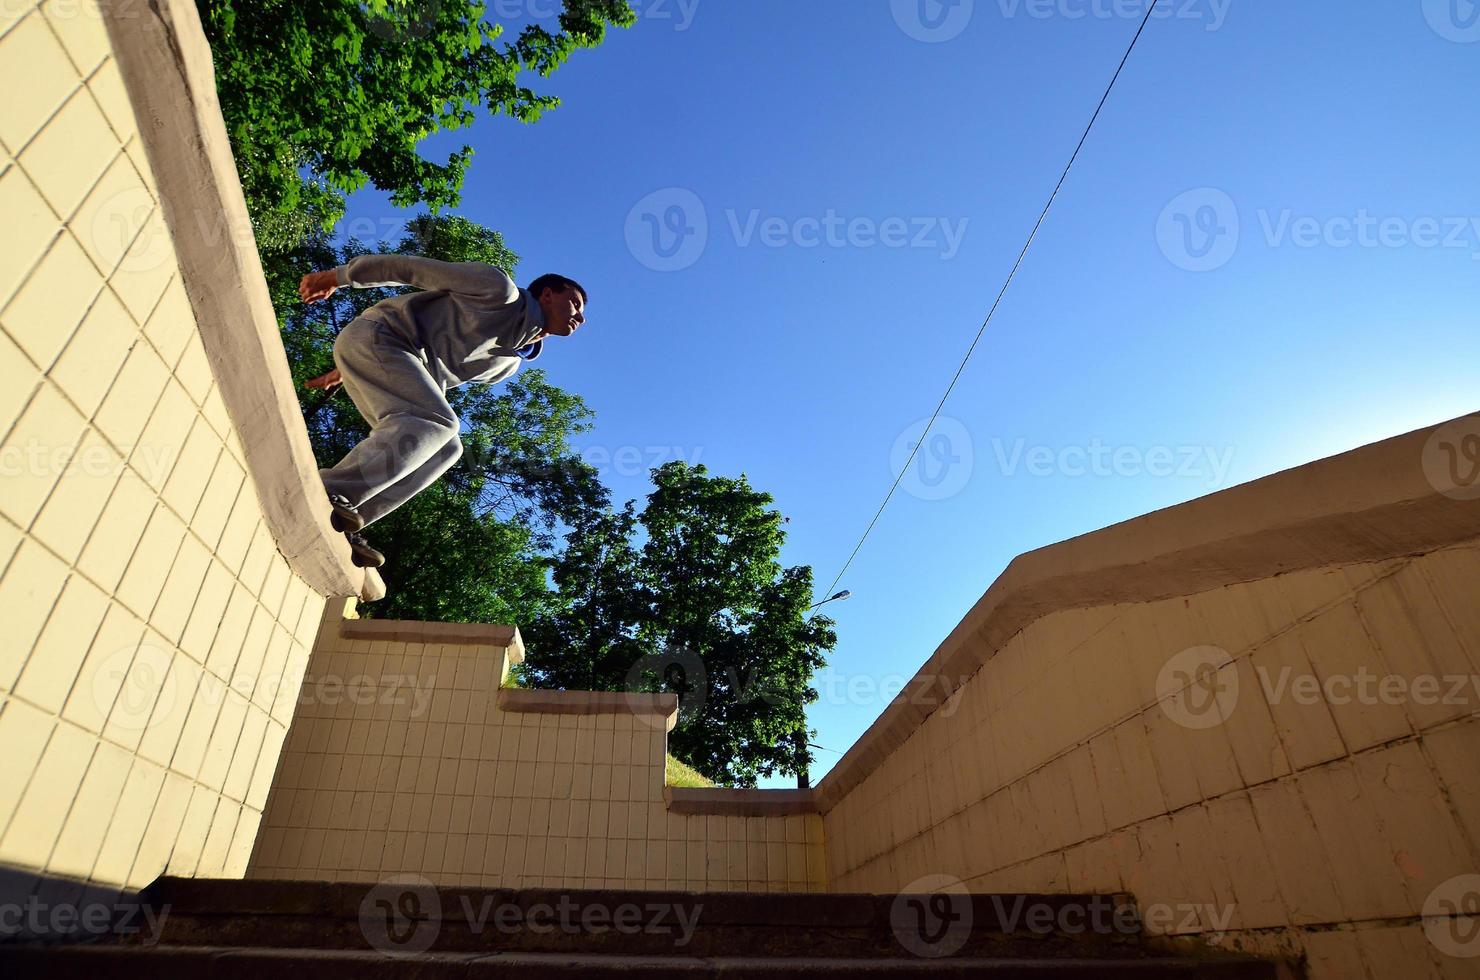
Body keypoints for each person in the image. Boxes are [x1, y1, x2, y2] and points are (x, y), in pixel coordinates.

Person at [300, 255, 587, 568]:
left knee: (447, 448)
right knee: (437, 423)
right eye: (574, 303)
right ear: (547, 295)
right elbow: (407, 269)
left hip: (381, 359)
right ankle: (331, 489)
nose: (581, 318)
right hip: (382, 336)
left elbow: (431, 385)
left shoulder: (507, 364)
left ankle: (348, 519)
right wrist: (338, 276)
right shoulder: (498, 290)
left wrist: (349, 369)